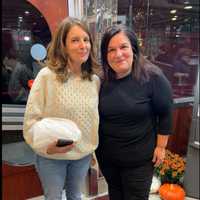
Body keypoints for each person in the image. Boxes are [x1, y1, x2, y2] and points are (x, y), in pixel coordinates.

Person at [23, 17, 100, 200]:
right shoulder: (46, 77)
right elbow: (31, 121)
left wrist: (92, 151)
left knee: (75, 196)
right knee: (54, 197)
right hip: (51, 156)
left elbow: (93, 120)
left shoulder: (93, 80)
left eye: (86, 40)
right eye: (75, 40)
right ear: (63, 46)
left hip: (81, 155)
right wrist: (47, 148)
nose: (83, 46)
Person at [95, 25, 173, 200]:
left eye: (123, 47)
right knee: (115, 196)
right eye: (111, 50)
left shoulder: (153, 77)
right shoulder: (101, 80)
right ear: (105, 55)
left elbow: (166, 112)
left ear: (133, 48)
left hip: (139, 162)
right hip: (108, 160)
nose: (118, 54)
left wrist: (161, 147)